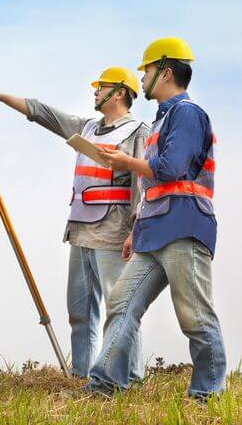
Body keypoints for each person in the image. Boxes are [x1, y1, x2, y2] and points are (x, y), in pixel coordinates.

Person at [0, 67, 149, 380]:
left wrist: (136, 229)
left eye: (101, 87)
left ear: (119, 93)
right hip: (80, 231)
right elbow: (44, 114)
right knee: (80, 313)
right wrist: (1, 98)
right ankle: (83, 375)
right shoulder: (87, 127)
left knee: (119, 309)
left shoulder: (138, 132)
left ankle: (129, 376)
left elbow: (144, 185)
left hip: (114, 233)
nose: (95, 92)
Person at [89, 37, 227, 399]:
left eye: (147, 70)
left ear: (164, 72)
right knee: (121, 304)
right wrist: (136, 229)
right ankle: (105, 384)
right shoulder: (163, 119)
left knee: (194, 317)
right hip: (153, 233)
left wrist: (124, 161)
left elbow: (169, 170)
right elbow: (152, 187)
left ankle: (207, 395)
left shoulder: (187, 114)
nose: (143, 77)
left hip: (184, 228)